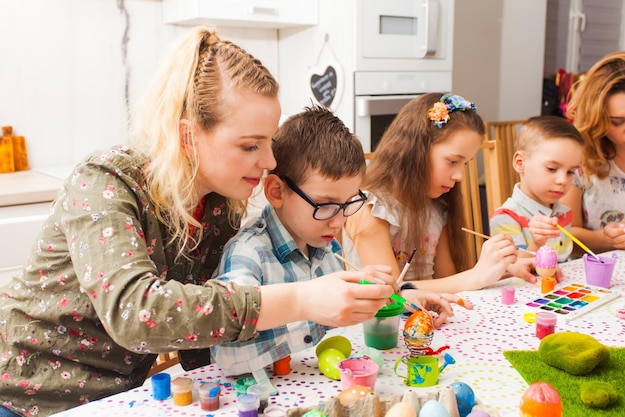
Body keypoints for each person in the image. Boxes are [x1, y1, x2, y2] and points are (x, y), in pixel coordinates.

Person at [0, 28, 395, 417]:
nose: (270, 161)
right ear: (188, 137)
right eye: (249, 145)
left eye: (269, 141)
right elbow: (136, 314)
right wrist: (302, 299)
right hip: (25, 397)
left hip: (120, 399)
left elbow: (205, 329)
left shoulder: (220, 204)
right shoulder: (106, 183)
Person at [209, 106, 462, 389]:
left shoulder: (324, 248)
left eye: (349, 204)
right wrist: (315, 315)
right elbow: (226, 356)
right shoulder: (249, 253)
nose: (340, 220)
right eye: (327, 205)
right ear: (277, 192)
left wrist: (399, 299)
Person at [343, 93, 536, 294]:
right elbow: (390, 293)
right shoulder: (370, 209)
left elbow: (449, 281)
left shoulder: (436, 208)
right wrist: (476, 275)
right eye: (452, 161)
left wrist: (503, 271)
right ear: (416, 150)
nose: (460, 176)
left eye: (465, 164)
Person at [489, 116, 585, 262]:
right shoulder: (505, 218)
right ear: (520, 163)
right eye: (552, 169)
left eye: (570, 172)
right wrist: (536, 244)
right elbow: (513, 269)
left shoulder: (565, 213)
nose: (563, 180)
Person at [561, 51, 625, 254]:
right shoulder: (580, 161)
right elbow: (566, 236)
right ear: (596, 120)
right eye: (617, 122)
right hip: (598, 275)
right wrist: (606, 239)